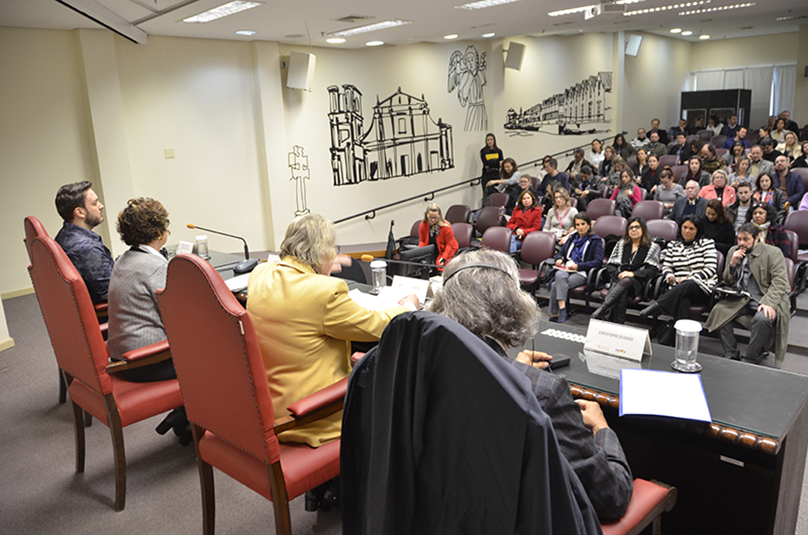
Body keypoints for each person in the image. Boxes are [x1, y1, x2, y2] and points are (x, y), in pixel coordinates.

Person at [427, 248, 633, 520]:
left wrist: (514, 370)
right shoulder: (544, 392)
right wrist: (602, 428)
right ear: (512, 304)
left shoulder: (417, 370)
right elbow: (611, 497)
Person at [247, 214, 419, 448]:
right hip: (312, 414)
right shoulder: (324, 292)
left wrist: (319, 272)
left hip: (270, 405)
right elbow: (375, 326)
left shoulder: (260, 274)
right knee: (398, 396)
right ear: (320, 252)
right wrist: (409, 306)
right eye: (331, 248)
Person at [107, 197, 174, 382]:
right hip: (149, 362)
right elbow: (176, 318)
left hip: (122, 356)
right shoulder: (156, 267)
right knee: (220, 353)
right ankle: (187, 411)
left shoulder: (122, 260)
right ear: (160, 232)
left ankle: (184, 411)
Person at [705, 222, 790, 366]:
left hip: (764, 297)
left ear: (757, 239)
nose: (741, 243)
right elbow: (727, 280)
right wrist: (732, 264)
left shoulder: (773, 253)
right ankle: (731, 352)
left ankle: (750, 356)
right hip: (742, 298)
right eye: (739, 239)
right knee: (718, 311)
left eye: (746, 240)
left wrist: (768, 303)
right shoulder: (734, 251)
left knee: (763, 318)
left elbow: (780, 283)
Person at [638, 216, 718, 344]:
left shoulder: (707, 244)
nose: (687, 231)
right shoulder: (673, 245)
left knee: (688, 284)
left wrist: (688, 278)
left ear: (698, 230)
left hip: (701, 286)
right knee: (683, 300)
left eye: (691, 228)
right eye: (684, 227)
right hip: (678, 287)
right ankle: (680, 340)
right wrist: (669, 275)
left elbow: (710, 269)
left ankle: (658, 305)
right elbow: (667, 266)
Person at [54, 181, 115, 305]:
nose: (101, 206)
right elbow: (109, 293)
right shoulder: (87, 249)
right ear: (80, 212)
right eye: (95, 203)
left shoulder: (64, 234)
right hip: (111, 315)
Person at [591, 216, 660, 324]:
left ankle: (603, 309)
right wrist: (619, 274)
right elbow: (610, 265)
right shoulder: (621, 244)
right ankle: (618, 323)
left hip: (638, 281)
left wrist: (632, 274)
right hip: (619, 279)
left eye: (637, 227)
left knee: (626, 280)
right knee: (623, 289)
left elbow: (652, 270)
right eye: (631, 228)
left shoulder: (652, 247)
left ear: (643, 229)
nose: (633, 230)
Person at [548, 213, 603, 323]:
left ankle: (555, 313)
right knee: (559, 275)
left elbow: (598, 262)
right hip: (567, 269)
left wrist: (579, 266)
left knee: (555, 284)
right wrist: (559, 259)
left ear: (589, 225)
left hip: (582, 272)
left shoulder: (595, 240)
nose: (580, 227)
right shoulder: (572, 238)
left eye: (583, 224)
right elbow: (561, 253)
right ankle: (562, 309)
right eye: (577, 225)